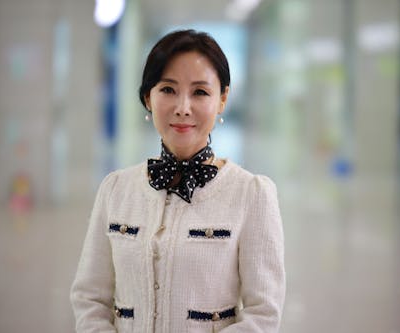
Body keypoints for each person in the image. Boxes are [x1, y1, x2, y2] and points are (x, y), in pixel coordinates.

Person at [70, 29, 285, 333]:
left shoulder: (251, 194)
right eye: (168, 90)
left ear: (222, 99)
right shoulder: (116, 189)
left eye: (200, 92)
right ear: (148, 97)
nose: (183, 107)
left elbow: (263, 314)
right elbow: (90, 298)